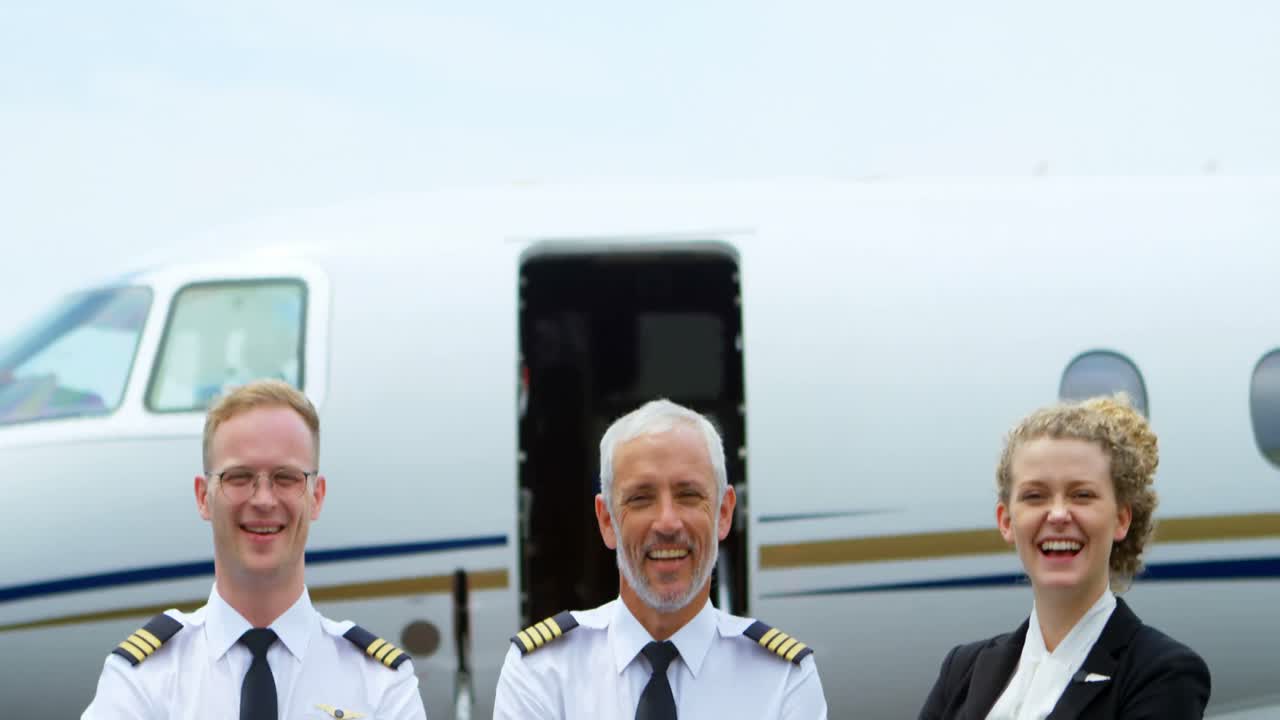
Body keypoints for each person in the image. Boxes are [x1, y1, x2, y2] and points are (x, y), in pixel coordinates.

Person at [83, 379, 428, 720]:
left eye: (286, 477)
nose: (263, 499)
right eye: (239, 477)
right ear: (204, 497)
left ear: (317, 497)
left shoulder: (381, 684)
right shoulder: (142, 679)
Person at [494, 399, 828, 719]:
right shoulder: (541, 674)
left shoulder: (782, 680)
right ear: (607, 520)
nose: (667, 522)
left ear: (724, 513)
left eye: (689, 495)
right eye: (641, 499)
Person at [918, 395, 1210, 719]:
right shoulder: (962, 671)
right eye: (1035, 496)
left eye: (1081, 495)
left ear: (1121, 518)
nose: (1058, 514)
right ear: (1006, 521)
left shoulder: (1162, 674)